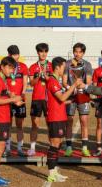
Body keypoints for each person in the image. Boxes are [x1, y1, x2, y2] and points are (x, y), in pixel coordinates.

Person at [43, 57, 79, 187]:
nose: (64, 69)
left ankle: (54, 171)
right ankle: (51, 173)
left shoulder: (55, 81)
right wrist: (74, 85)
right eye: (63, 67)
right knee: (54, 144)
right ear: (57, 67)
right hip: (55, 117)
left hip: (60, 116)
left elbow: (61, 100)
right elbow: (62, 96)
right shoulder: (52, 81)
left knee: (57, 145)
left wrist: (74, 100)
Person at [0, 56, 23, 186]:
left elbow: (3, 95)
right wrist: (13, 100)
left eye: (13, 68)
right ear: (2, 67)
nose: (11, 71)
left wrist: (12, 97)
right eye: (9, 68)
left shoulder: (3, 80)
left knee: (0, 148)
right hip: (0, 118)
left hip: (3, 117)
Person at [62, 42, 93, 157]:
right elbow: (64, 81)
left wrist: (81, 87)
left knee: (84, 120)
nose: (78, 54)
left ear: (83, 53)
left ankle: (84, 147)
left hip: (83, 95)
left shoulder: (87, 65)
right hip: (70, 95)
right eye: (76, 51)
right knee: (69, 121)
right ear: (73, 52)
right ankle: (69, 147)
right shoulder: (67, 64)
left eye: (80, 52)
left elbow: (88, 81)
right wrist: (71, 88)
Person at [28, 43, 52, 156]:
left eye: (45, 51)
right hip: (36, 99)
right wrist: (38, 76)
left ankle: (51, 147)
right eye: (41, 51)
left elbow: (53, 81)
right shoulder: (33, 67)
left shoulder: (51, 66)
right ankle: (32, 148)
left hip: (48, 99)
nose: (43, 54)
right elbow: (31, 83)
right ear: (37, 52)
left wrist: (46, 76)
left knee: (50, 124)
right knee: (35, 125)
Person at [4, 45, 28, 157]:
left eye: (17, 54)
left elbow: (25, 82)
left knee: (19, 125)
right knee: (7, 125)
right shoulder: (5, 67)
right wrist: (9, 93)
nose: (16, 57)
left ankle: (19, 148)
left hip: (19, 99)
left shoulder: (23, 66)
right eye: (13, 55)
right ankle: (7, 148)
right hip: (8, 99)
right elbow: (3, 82)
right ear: (9, 55)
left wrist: (22, 93)